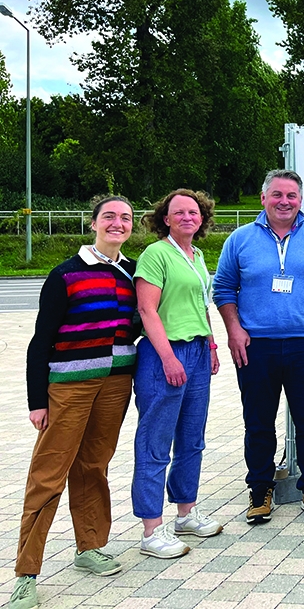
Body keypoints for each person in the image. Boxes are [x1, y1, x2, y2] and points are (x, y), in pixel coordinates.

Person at [9, 197, 139, 609]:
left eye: (125, 218)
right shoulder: (65, 275)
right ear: (93, 223)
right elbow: (39, 341)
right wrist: (37, 400)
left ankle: (89, 548)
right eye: (109, 217)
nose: (117, 224)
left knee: (93, 467)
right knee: (49, 474)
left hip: (116, 385)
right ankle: (26, 574)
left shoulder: (132, 273)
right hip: (69, 387)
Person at [213, 169, 304, 524]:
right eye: (277, 195)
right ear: (263, 198)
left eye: (291, 196)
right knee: (258, 423)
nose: (284, 201)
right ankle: (260, 490)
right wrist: (234, 330)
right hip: (256, 347)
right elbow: (223, 289)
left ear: (300, 200)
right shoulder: (240, 239)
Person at [132, 189, 222, 559]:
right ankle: (152, 530)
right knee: (155, 444)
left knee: (192, 438)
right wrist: (169, 358)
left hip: (198, 351)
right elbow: (147, 310)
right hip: (165, 353)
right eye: (179, 212)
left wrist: (212, 343)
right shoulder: (157, 254)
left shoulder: (197, 255)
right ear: (164, 218)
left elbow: (201, 304)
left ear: (202, 219)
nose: (188, 216)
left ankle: (186, 512)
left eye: (194, 211)